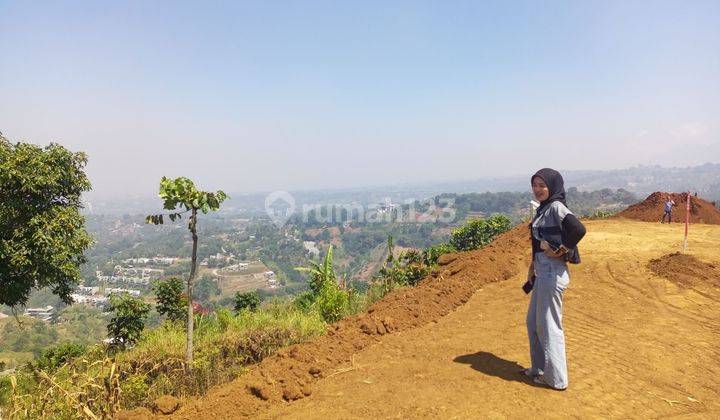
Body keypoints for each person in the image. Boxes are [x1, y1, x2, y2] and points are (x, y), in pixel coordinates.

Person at [521, 168, 586, 390]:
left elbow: (578, 229)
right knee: (533, 323)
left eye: (542, 185)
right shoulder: (543, 209)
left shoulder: (556, 207)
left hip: (552, 273)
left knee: (549, 326)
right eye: (535, 185)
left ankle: (556, 379)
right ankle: (538, 369)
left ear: (553, 186)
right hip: (542, 272)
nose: (538, 189)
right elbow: (538, 242)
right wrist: (532, 266)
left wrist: (561, 250)